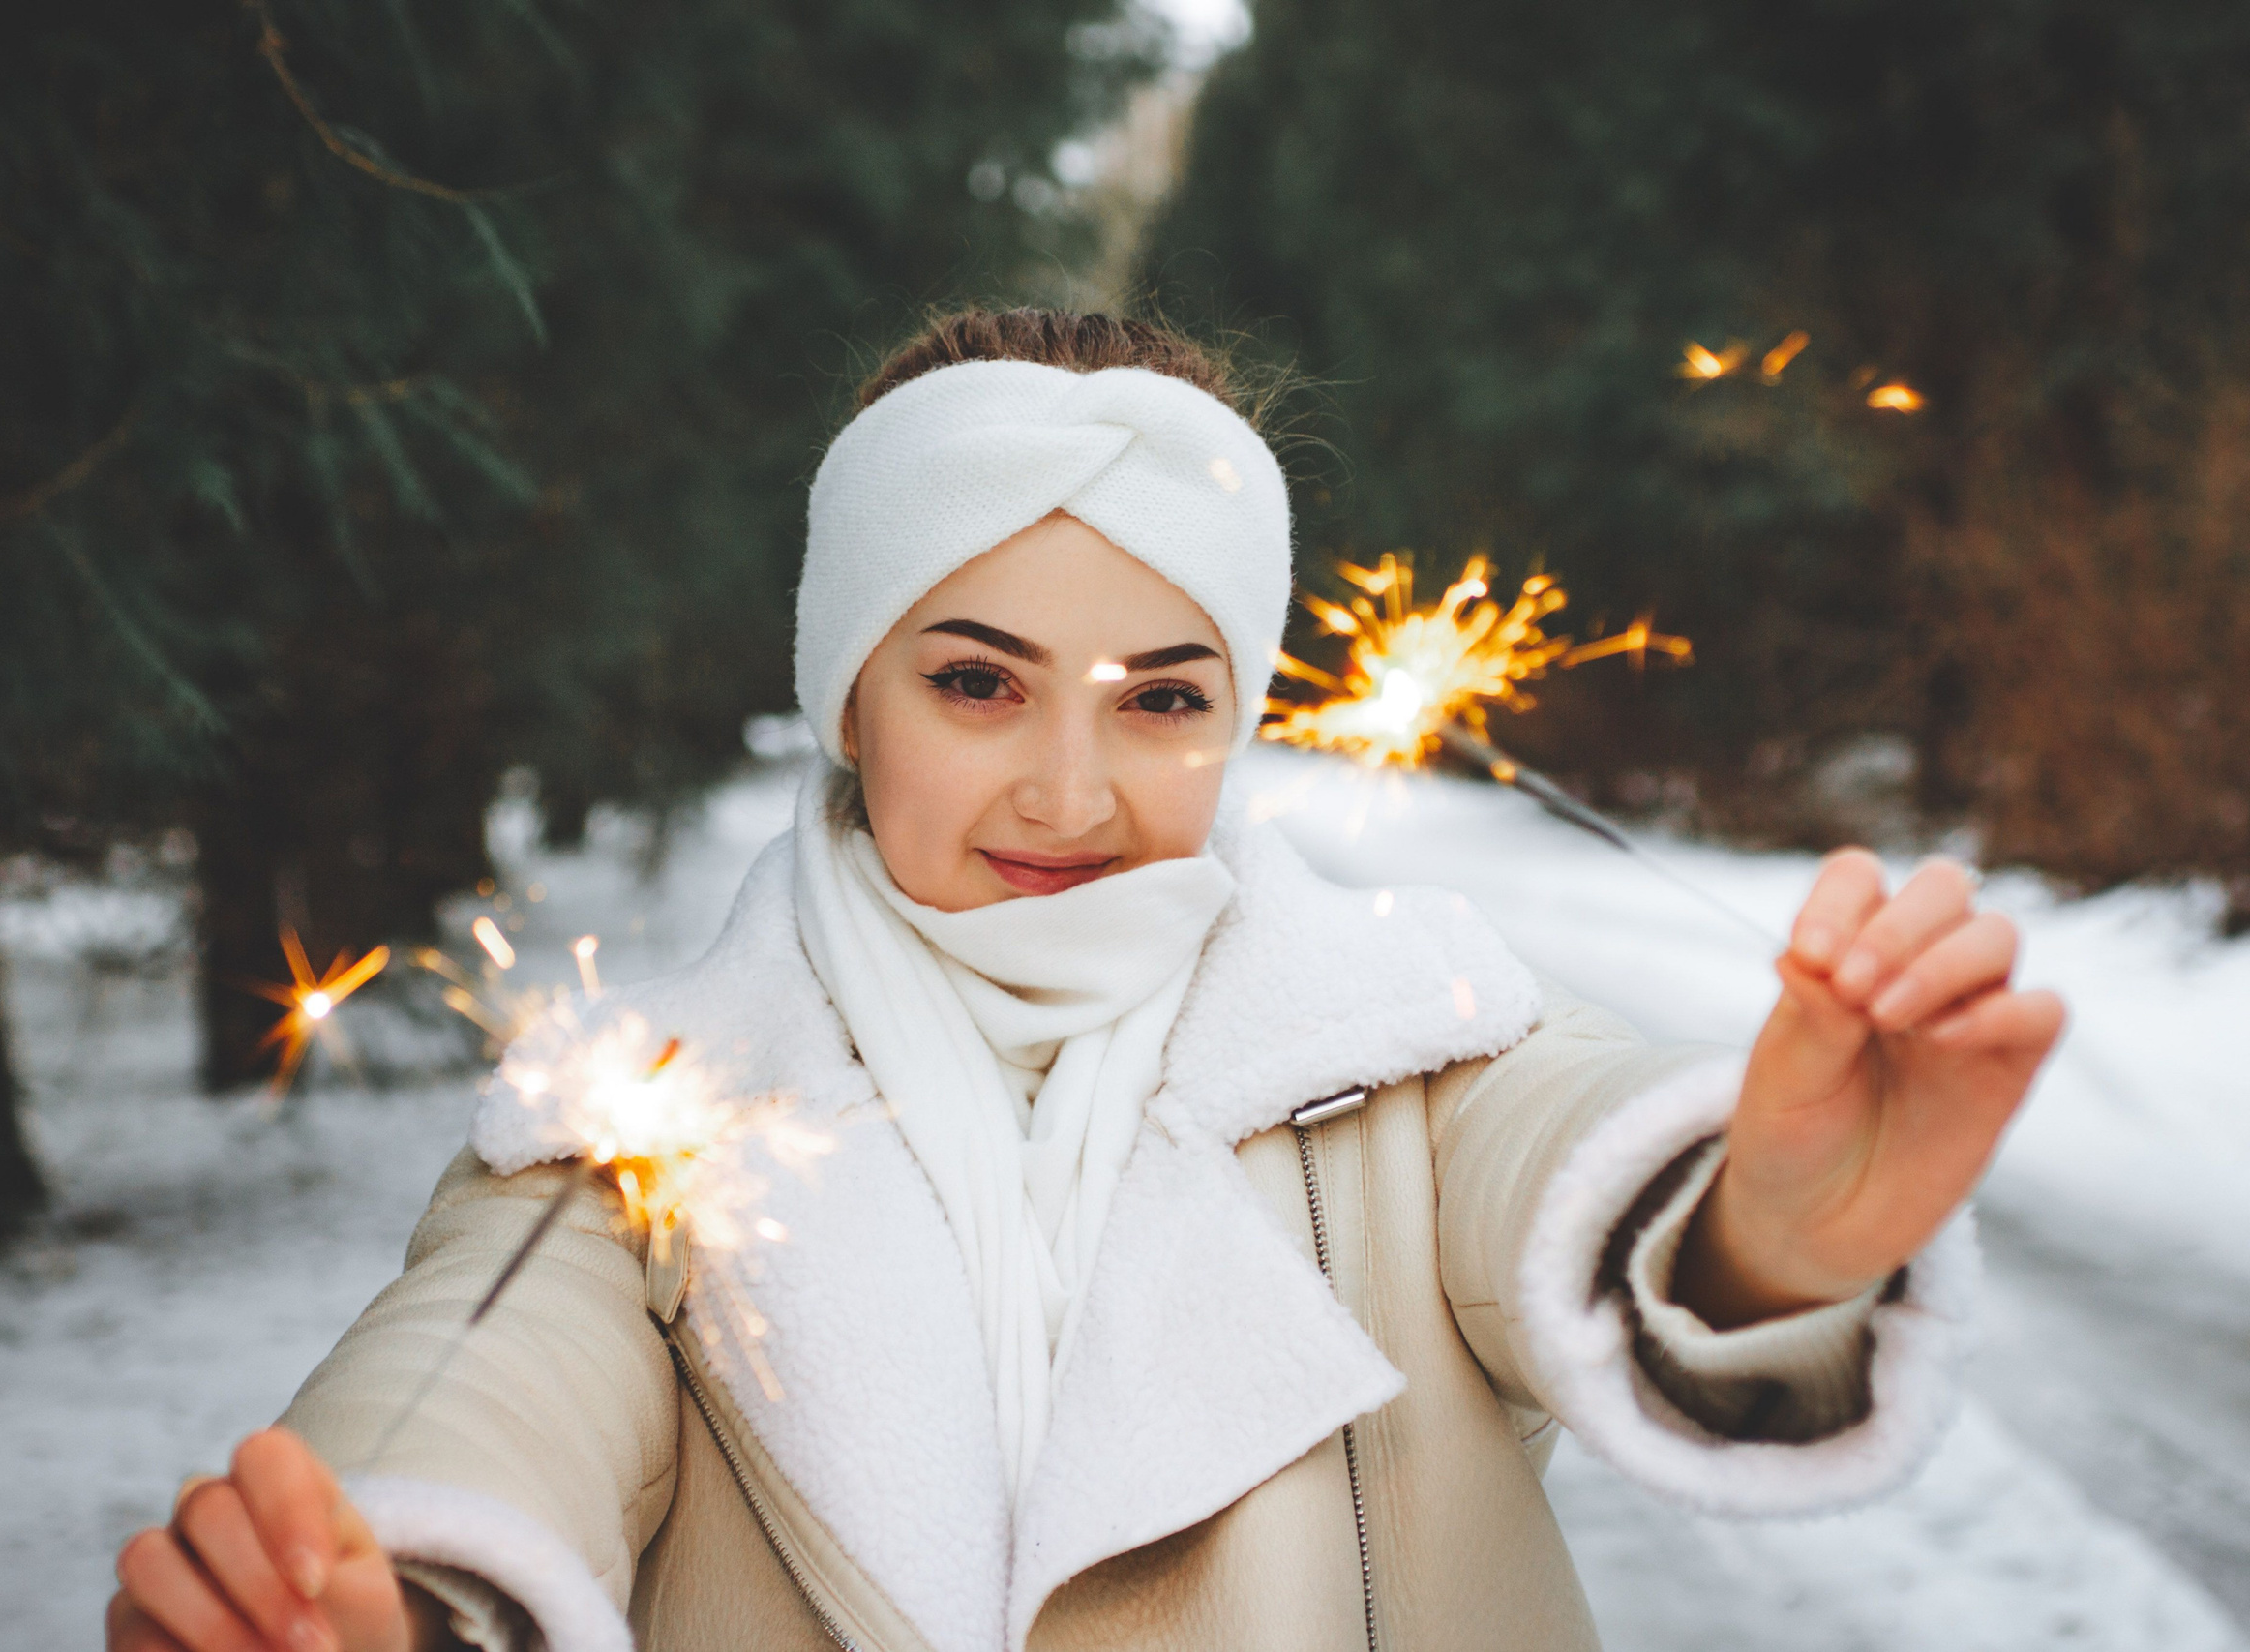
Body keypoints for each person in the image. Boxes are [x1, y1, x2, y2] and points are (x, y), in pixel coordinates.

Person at [106, 309, 2063, 1652]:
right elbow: (480, 1380)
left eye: (1162, 696)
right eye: (974, 678)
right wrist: (365, 1580)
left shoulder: (1409, 1045)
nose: (1068, 787)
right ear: (843, 695)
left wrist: (1765, 1228)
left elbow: (1581, 1167)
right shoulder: (643, 1125)